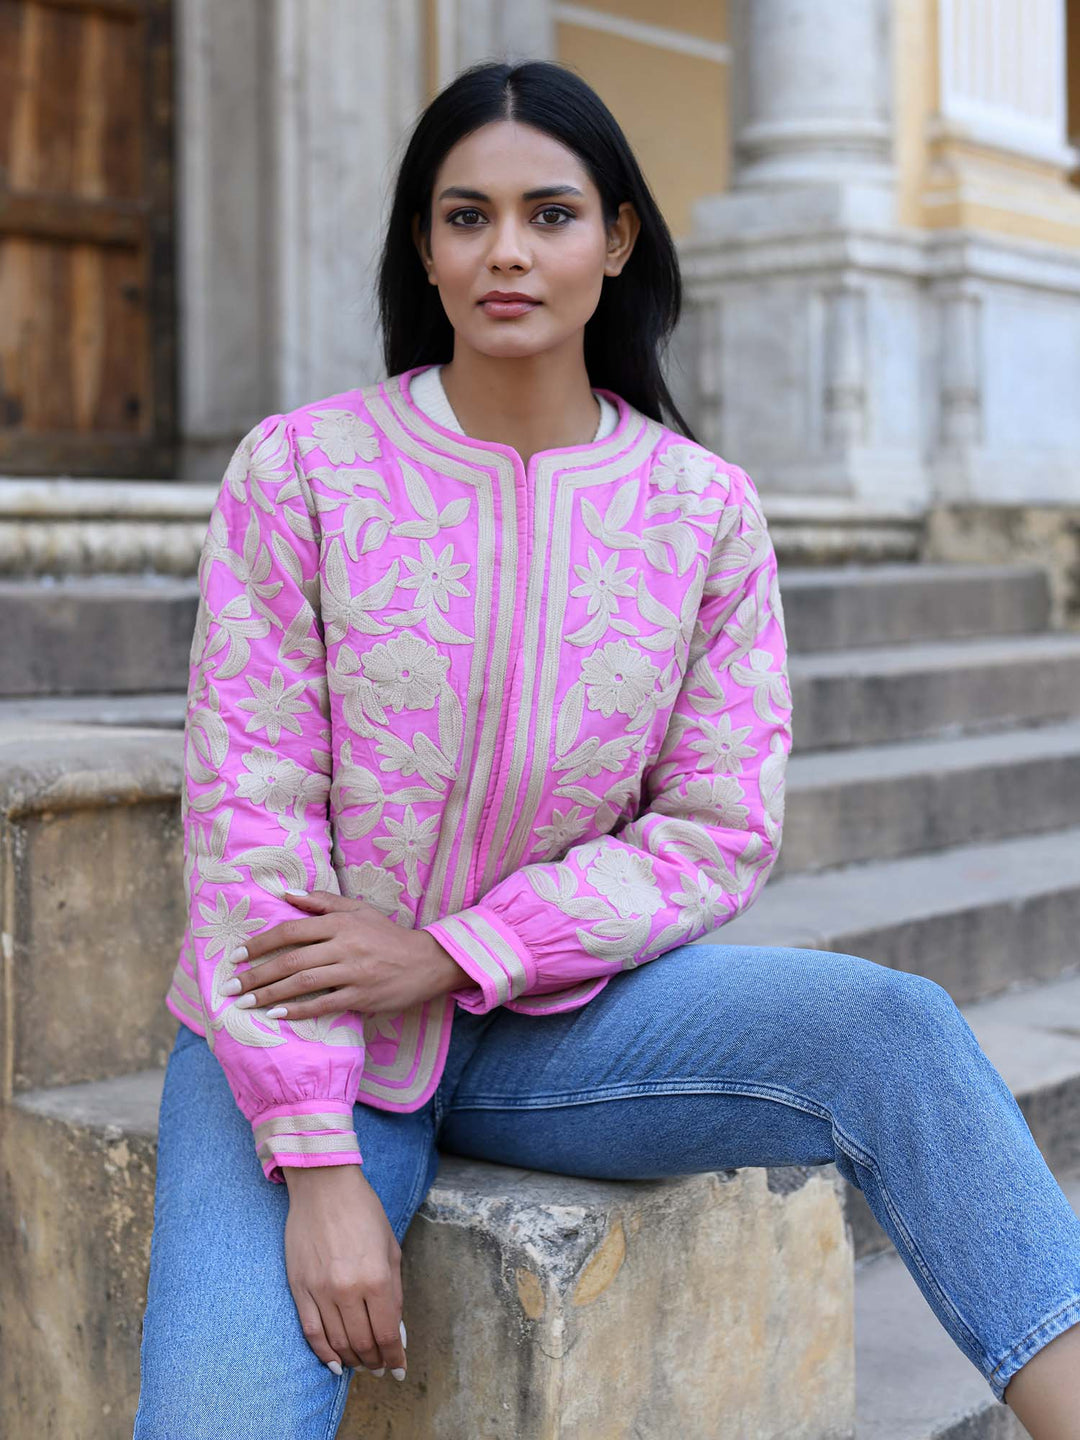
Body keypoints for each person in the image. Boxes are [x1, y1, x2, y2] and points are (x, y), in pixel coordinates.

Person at [133, 59, 1080, 1439]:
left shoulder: (704, 514)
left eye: (551, 214)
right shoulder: (303, 473)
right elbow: (249, 807)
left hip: (559, 1027)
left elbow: (714, 826)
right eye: (466, 216)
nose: (506, 252)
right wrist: (319, 1168)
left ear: (618, 237)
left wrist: (460, 951)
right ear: (424, 247)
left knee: (897, 1032)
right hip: (307, 1041)